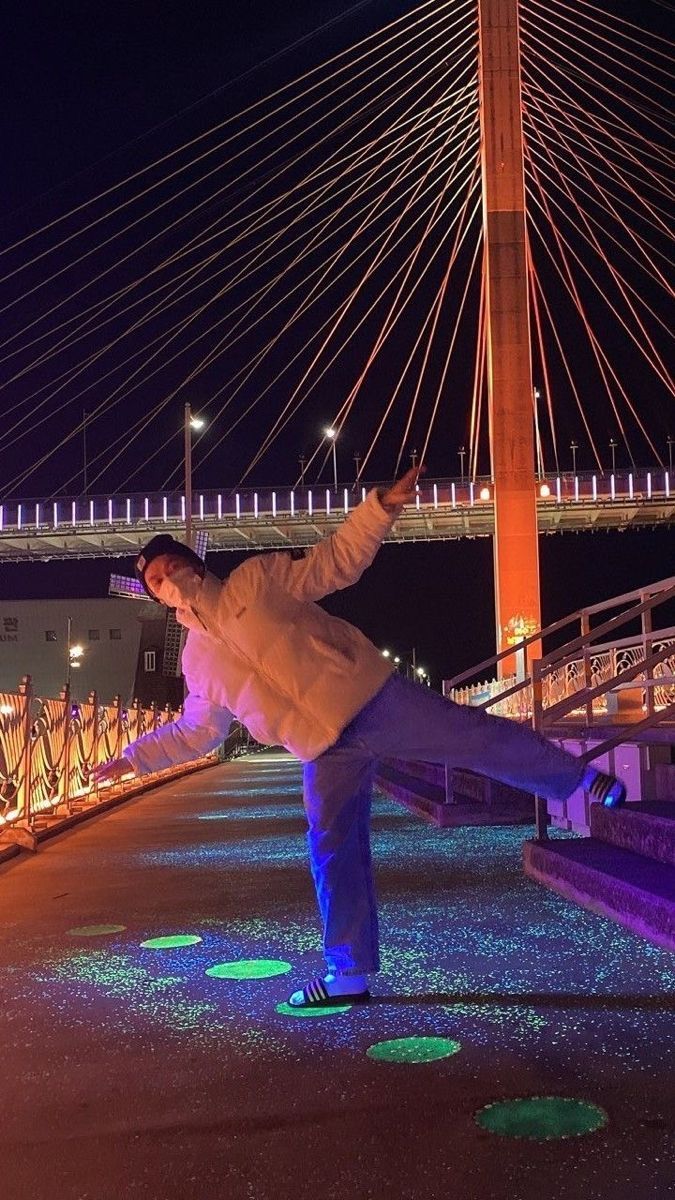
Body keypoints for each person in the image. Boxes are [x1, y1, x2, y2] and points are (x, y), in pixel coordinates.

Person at [93, 467, 626, 1009]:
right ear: (156, 598)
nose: (169, 579)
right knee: (331, 848)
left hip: (373, 699)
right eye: (157, 580)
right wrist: (133, 758)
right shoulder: (196, 661)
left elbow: (334, 562)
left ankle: (581, 778)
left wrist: (380, 508)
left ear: (194, 561)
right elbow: (198, 731)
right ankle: (347, 972)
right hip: (323, 749)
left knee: (474, 735)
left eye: (173, 565)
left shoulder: (255, 581)